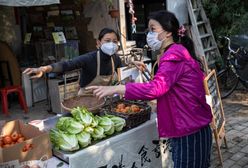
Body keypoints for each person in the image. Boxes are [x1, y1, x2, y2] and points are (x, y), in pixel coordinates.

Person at [88, 10, 213, 168]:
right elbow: (172, 89)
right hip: (189, 127)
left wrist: (118, 89)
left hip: (189, 131)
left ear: (167, 32)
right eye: (148, 30)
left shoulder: (173, 55)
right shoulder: (177, 51)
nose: (149, 34)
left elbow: (157, 88)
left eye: (153, 29)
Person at [23, 28, 122, 95]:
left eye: (114, 41)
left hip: (104, 98)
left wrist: (132, 65)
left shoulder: (116, 59)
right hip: (86, 99)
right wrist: (43, 69)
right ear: (99, 43)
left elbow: (123, 73)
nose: (111, 44)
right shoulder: (89, 58)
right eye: (107, 40)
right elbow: (66, 65)